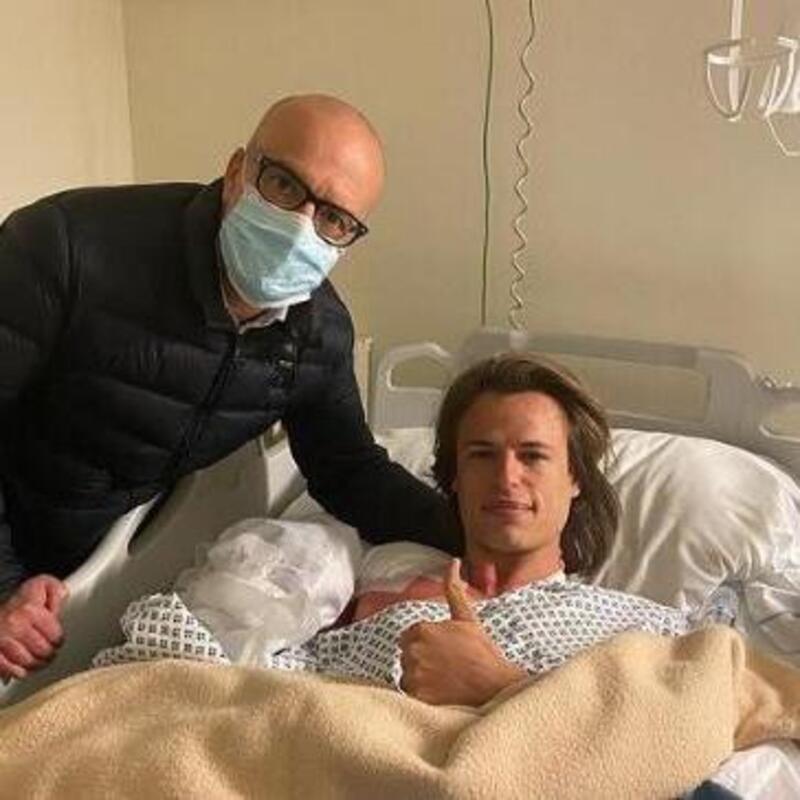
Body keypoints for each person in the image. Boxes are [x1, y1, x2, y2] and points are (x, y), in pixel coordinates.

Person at [0, 94, 453, 682]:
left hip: (81, 572)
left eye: (334, 219)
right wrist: (4, 585)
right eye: (285, 185)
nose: (300, 226)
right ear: (238, 169)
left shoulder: (316, 336)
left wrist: (479, 533)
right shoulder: (64, 246)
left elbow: (348, 471)